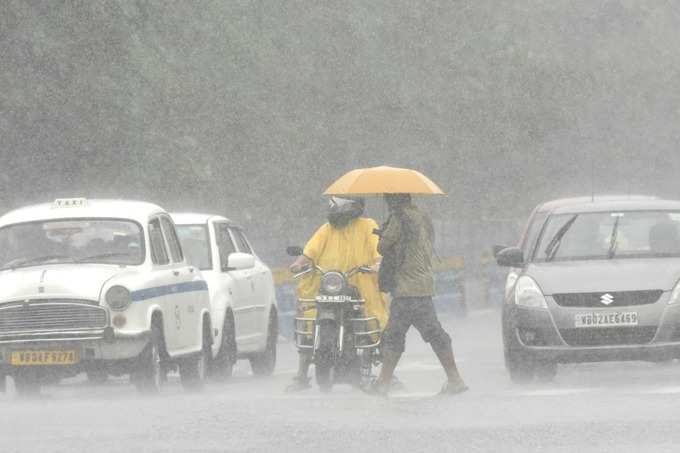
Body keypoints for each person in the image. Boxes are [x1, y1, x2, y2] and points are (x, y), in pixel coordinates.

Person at [368, 193, 467, 396]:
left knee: (393, 337)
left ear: (392, 201)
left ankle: (383, 383)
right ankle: (455, 379)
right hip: (424, 286)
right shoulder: (423, 216)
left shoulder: (399, 218)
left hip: (405, 288)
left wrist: (384, 232)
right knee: (435, 334)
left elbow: (383, 247)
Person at [287, 196, 389, 391]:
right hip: (329, 284)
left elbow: (378, 249)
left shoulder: (368, 226)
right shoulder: (326, 229)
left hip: (358, 285)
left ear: (353, 208)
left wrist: (378, 263)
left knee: (372, 324)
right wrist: (299, 263)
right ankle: (301, 375)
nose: (335, 210)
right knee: (309, 322)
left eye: (339, 205)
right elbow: (310, 251)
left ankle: (387, 374)